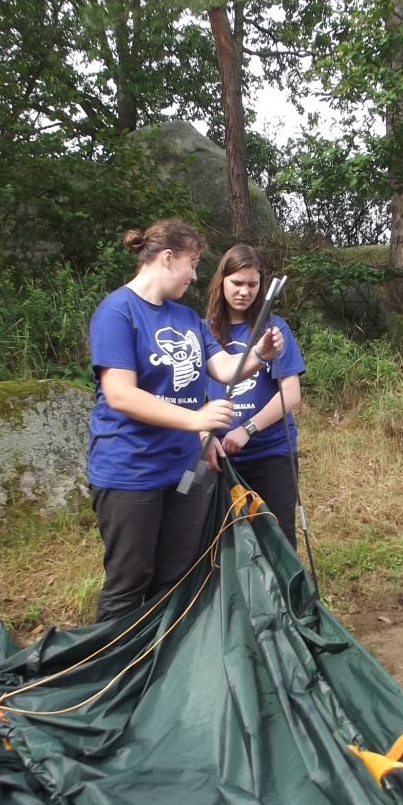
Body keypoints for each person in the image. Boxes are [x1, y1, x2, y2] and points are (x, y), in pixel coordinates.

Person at [87, 220, 283, 622]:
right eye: (193, 264)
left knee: (176, 577)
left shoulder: (187, 318)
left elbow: (226, 369)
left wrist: (260, 354)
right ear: (168, 257)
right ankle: (112, 677)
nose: (196, 275)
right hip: (130, 473)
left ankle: (164, 672)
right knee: (129, 581)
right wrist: (197, 421)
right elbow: (120, 393)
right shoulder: (116, 313)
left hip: (186, 473)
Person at [204, 244, 305, 550]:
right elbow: (191, 394)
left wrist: (248, 429)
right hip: (217, 457)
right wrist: (205, 436)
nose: (244, 291)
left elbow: (291, 393)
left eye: (252, 284)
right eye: (237, 283)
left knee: (276, 534)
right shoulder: (201, 331)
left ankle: (286, 598)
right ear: (221, 281)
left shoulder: (274, 329)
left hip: (270, 453)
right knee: (220, 540)